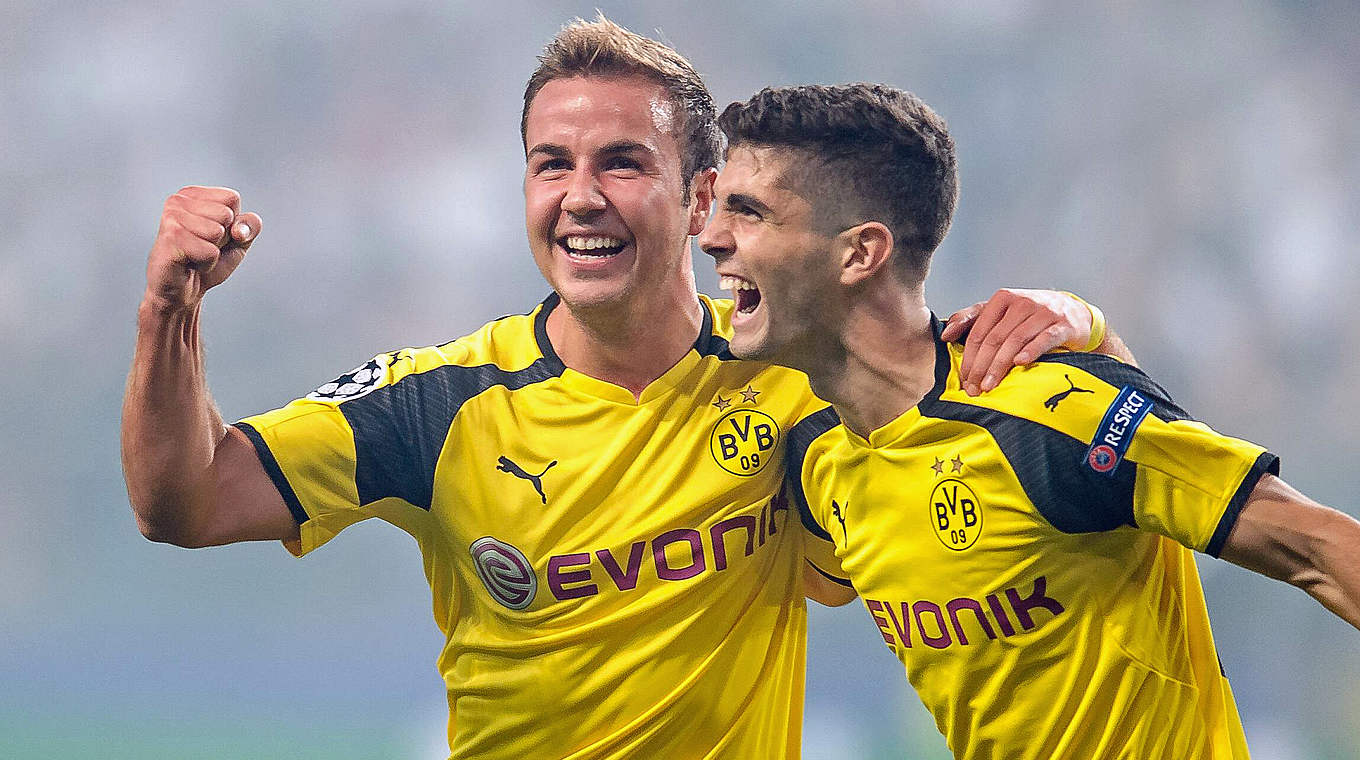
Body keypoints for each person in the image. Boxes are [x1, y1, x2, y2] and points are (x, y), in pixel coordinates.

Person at [121, 16, 1116, 760]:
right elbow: (186, 500)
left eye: (622, 163)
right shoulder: (438, 404)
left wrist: (1072, 313)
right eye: (550, 164)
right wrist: (170, 308)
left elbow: (956, 393)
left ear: (701, 197)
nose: (581, 196)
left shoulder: (793, 373)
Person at [698, 82, 1360, 759]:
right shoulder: (817, 456)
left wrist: (1092, 329)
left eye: (750, 213)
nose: (713, 238)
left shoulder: (1042, 414)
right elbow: (821, 585)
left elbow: (1317, 549)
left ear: (860, 253)